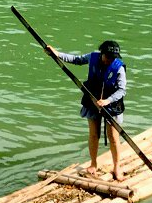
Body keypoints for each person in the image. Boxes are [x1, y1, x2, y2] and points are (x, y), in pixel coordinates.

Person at [50, 40, 127, 182]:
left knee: (113, 138)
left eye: (112, 58)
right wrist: (57, 54)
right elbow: (76, 60)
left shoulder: (119, 67)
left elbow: (122, 90)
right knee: (93, 135)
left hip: (111, 103)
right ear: (102, 53)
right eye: (107, 57)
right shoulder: (92, 57)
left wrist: (107, 101)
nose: (109, 60)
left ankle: (117, 167)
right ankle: (93, 164)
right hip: (92, 99)